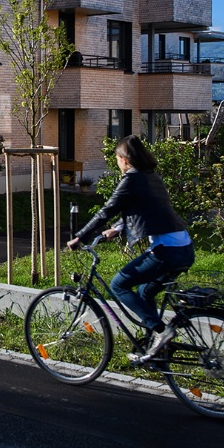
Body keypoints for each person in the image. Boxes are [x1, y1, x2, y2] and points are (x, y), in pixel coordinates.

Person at [67, 134, 195, 363]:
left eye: (116, 158)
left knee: (118, 284)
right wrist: (117, 228)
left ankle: (160, 330)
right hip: (183, 247)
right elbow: (145, 207)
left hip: (167, 251)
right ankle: (154, 349)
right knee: (145, 291)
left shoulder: (131, 179)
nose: (116, 163)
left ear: (125, 160)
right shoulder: (151, 176)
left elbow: (107, 210)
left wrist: (80, 237)